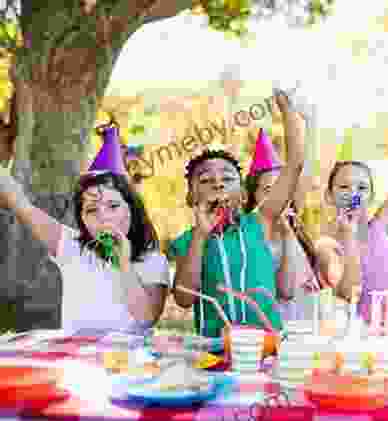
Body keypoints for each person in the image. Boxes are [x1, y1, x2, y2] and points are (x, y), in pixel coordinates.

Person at [0, 124, 170, 334]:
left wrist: (123, 263)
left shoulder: (153, 260)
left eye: (113, 206)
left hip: (129, 361)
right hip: (78, 360)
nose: (103, 216)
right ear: (82, 220)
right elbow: (21, 205)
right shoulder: (71, 246)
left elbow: (146, 319)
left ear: (132, 210)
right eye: (91, 210)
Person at [170, 90, 304, 337]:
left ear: (243, 194)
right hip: (214, 349)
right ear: (191, 197)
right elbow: (183, 299)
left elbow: (294, 165)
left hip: (269, 343)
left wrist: (288, 112)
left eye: (227, 178)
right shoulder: (188, 242)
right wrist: (200, 235)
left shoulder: (259, 222)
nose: (218, 184)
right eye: (206, 179)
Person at [314, 156, 388, 343]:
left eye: (362, 188)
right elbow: (348, 293)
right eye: (344, 187)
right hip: (362, 344)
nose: (354, 193)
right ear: (329, 196)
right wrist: (348, 233)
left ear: (371, 197)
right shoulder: (327, 244)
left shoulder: (381, 224)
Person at [243, 128, 320, 321]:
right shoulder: (254, 238)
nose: (278, 197)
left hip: (307, 325)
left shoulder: (297, 232)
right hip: (279, 331)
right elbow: (286, 291)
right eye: (268, 190)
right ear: (254, 197)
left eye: (282, 189)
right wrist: (287, 235)